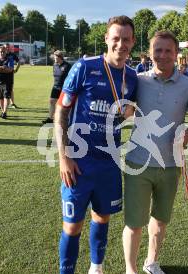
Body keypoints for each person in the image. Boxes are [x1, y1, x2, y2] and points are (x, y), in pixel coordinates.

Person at [54, 15, 137, 274]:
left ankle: (96, 267)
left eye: (126, 39)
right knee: (72, 225)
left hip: (109, 162)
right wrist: (63, 157)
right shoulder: (84, 67)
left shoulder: (132, 77)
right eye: (116, 38)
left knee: (102, 217)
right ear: (106, 39)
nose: (120, 44)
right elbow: (61, 112)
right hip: (78, 162)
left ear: (133, 42)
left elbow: (130, 113)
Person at [122, 30, 188, 274]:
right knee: (134, 223)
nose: (163, 55)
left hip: (170, 165)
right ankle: (130, 269)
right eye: (158, 50)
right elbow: (125, 112)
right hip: (138, 163)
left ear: (176, 54)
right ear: (150, 52)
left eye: (168, 50)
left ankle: (151, 262)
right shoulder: (138, 79)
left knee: (161, 219)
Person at [42, 50, 72, 124]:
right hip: (55, 86)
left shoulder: (67, 66)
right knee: (52, 101)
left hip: (64, 88)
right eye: (54, 57)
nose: (54, 58)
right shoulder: (55, 65)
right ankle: (51, 118)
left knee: (64, 104)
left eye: (55, 57)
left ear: (60, 57)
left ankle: (66, 119)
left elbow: (71, 77)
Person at [5, 43, 20, 108]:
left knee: (10, 88)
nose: (7, 48)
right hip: (2, 74)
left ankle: (12, 103)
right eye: (6, 47)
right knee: (1, 88)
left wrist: (16, 69)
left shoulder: (12, 54)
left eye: (8, 47)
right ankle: (0, 104)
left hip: (10, 73)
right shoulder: (1, 54)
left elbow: (18, 62)